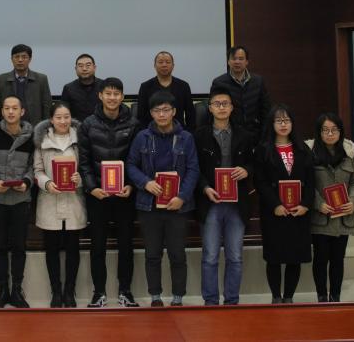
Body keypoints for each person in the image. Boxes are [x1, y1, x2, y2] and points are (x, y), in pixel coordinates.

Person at [126, 90, 199, 307]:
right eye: (157, 110)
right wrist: (145, 182)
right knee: (152, 254)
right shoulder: (142, 137)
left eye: (166, 110)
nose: (161, 114)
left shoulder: (186, 138)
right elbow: (131, 165)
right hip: (149, 206)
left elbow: (193, 169)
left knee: (177, 254)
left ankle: (178, 297)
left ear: (174, 111)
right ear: (151, 113)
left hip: (178, 206)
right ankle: (155, 296)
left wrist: (182, 196)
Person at [77, 77, 140, 307]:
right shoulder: (88, 124)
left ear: (122, 97)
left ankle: (126, 291)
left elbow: (137, 160)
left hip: (125, 194)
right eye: (108, 93)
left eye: (116, 94)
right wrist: (92, 187)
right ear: (100, 96)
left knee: (126, 245)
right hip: (98, 195)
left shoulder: (134, 123)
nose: (112, 98)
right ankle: (99, 292)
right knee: (97, 245)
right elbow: (83, 161)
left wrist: (131, 185)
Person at [194, 87, 256, 306]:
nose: (221, 107)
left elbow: (256, 163)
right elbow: (193, 168)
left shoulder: (246, 136)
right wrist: (204, 187)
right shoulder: (199, 136)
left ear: (232, 107)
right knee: (210, 256)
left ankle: (232, 301)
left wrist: (247, 170)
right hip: (210, 202)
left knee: (235, 256)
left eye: (225, 104)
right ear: (210, 108)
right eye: (217, 104)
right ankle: (210, 301)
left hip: (237, 204)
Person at [254, 104, 313, 304]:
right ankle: (276, 297)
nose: (283, 124)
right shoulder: (263, 150)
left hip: (298, 212)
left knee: (295, 256)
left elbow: (311, 181)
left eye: (287, 120)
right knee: (274, 256)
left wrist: (305, 204)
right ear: (271, 124)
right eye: (278, 121)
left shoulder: (303, 149)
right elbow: (260, 181)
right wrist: (275, 205)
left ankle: (288, 297)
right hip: (274, 212)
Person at [306, 113, 354, 302]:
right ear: (319, 132)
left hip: (343, 217)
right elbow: (306, 183)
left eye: (334, 130)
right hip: (320, 217)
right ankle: (322, 296)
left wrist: (353, 201)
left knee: (338, 259)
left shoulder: (350, 153)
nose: (330, 134)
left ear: (340, 132)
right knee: (321, 258)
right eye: (325, 130)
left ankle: (335, 296)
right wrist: (318, 203)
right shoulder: (310, 153)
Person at [33, 102, 86, 308]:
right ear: (51, 120)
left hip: (74, 201)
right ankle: (56, 291)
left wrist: (79, 179)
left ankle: (70, 291)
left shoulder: (80, 139)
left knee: (73, 249)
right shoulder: (42, 140)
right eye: (58, 117)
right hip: (49, 201)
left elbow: (86, 168)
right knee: (52, 249)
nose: (63, 121)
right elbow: (37, 170)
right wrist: (47, 183)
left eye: (66, 117)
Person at [0, 95, 35, 308]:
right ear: (2, 111)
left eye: (15, 108)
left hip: (21, 199)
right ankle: (2, 289)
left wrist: (27, 181)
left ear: (22, 111)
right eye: (7, 108)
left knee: (19, 246)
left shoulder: (32, 137)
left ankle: (17, 289)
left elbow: (35, 165)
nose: (11, 112)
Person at [210, 46, 272, 140]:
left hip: (256, 134)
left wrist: (264, 134)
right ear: (228, 61)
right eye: (234, 58)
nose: (237, 62)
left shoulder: (258, 81)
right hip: (231, 135)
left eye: (241, 58)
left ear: (247, 61)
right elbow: (214, 109)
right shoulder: (219, 82)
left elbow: (266, 110)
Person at [0, 43, 52, 125]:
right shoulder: (0, 80)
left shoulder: (41, 79)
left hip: (34, 128)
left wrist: (45, 128)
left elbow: (47, 108)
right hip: (7, 128)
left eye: (24, 57)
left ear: (30, 59)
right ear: (11, 59)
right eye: (16, 57)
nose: (20, 60)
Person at [136, 51, 192, 129]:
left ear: (173, 66)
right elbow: (141, 116)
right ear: (155, 65)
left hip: (178, 131)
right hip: (152, 132)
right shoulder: (145, 87)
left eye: (168, 62)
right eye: (160, 62)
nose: (164, 65)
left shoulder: (183, 86)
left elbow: (190, 114)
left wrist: (189, 133)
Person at [60, 53, 104, 121]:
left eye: (88, 65)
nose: (84, 69)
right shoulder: (68, 88)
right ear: (76, 69)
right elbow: (63, 113)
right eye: (80, 66)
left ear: (94, 68)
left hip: (100, 126)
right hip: (76, 126)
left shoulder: (104, 86)